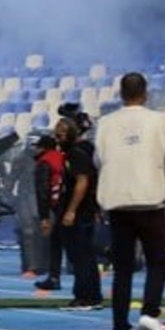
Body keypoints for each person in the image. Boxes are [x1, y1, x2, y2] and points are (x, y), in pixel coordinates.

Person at [94, 72, 165, 330]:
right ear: (145, 94)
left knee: (123, 269)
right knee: (157, 262)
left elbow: (98, 159)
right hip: (149, 199)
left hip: (118, 202)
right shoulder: (160, 120)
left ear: (121, 94)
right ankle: (149, 313)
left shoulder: (105, 124)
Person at [51, 117, 101, 310]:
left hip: (79, 211)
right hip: (84, 209)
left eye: (61, 134)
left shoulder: (76, 154)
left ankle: (84, 296)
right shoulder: (83, 151)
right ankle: (92, 295)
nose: (57, 138)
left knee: (79, 255)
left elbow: (82, 182)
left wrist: (71, 210)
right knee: (84, 255)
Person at [33, 135, 65, 290]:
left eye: (38, 146)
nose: (35, 149)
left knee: (58, 242)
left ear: (43, 147)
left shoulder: (44, 162)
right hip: (68, 201)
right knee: (72, 241)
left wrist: (44, 217)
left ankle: (54, 277)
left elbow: (42, 191)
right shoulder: (63, 157)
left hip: (57, 204)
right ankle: (54, 277)